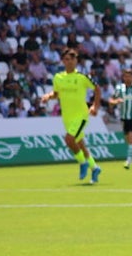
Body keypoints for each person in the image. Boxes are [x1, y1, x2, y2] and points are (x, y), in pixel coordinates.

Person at [39, 48, 103, 184]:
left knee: (69, 139)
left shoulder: (82, 77)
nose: (70, 62)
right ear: (63, 61)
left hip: (81, 115)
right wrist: (48, 96)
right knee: (80, 145)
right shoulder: (58, 78)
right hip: (67, 117)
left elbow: (97, 89)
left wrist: (95, 106)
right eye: (67, 59)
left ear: (76, 61)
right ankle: (95, 168)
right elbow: (56, 94)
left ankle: (82, 163)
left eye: (72, 59)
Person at [109, 68, 132, 169]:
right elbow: (111, 100)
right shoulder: (119, 88)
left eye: (130, 76)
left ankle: (128, 161)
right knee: (128, 140)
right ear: (123, 77)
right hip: (124, 117)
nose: (128, 78)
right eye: (126, 76)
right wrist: (115, 102)